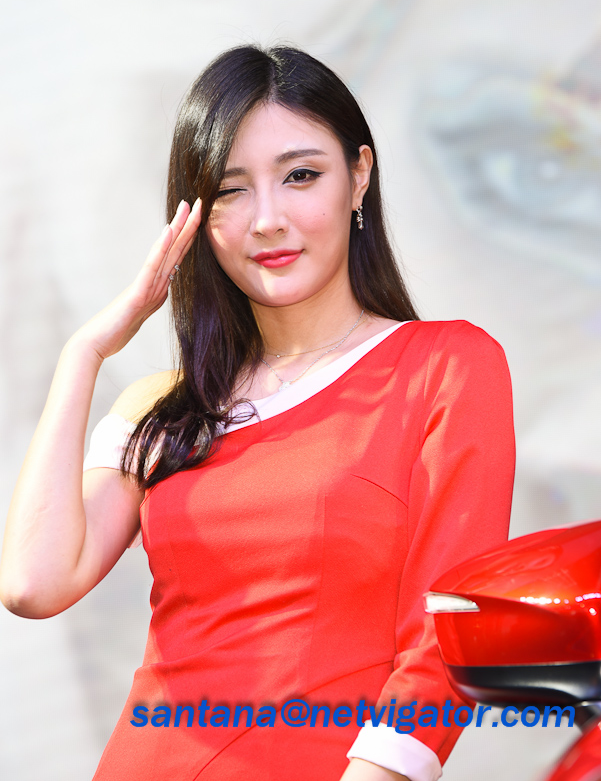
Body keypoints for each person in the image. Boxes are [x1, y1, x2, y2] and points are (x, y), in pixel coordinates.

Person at [0, 44, 515, 781]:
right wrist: (82, 354)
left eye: (300, 175)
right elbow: (33, 584)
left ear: (358, 177)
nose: (267, 220)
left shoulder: (446, 365)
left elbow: (449, 627)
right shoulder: (165, 408)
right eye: (230, 190)